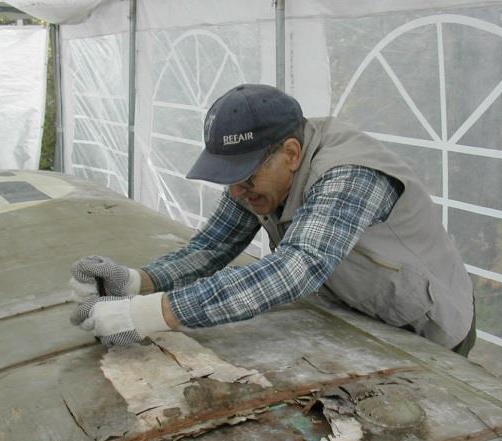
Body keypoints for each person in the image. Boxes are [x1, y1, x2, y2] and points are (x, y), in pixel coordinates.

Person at [69, 83, 476, 356]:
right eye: (227, 178)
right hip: (358, 312)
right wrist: (138, 281)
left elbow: (295, 269)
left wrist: (145, 315)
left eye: (244, 178)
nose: (235, 193)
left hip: (428, 329)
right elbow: (212, 246)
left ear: (293, 154)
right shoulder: (261, 176)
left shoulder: (350, 175)